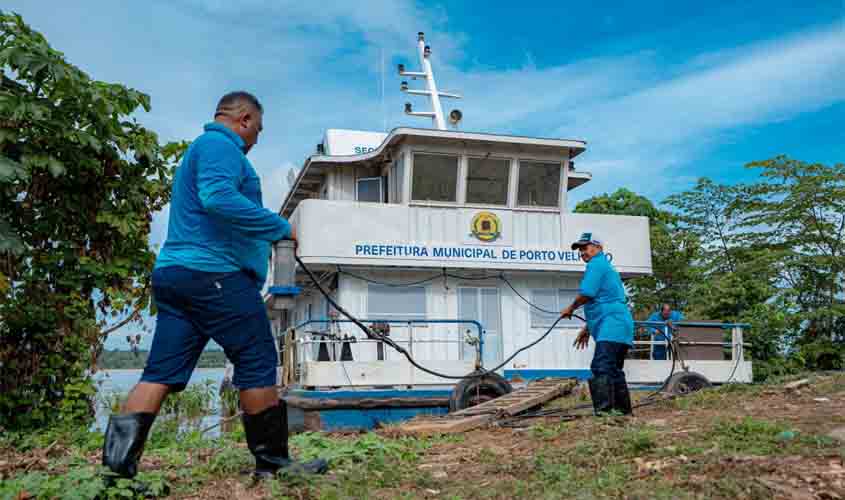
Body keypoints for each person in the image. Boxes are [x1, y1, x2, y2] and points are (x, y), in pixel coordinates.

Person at [101, 91, 327, 481]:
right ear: (243, 119)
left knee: (159, 372)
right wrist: (278, 227)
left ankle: (116, 474)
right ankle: (273, 465)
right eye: (258, 126)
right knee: (257, 361)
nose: (257, 136)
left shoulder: (202, 149)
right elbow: (218, 198)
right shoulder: (219, 146)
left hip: (178, 276)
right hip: (214, 275)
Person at [560, 233, 634, 416]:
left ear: (598, 248)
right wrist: (588, 328)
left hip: (612, 325)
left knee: (601, 367)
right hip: (619, 325)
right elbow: (605, 299)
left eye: (585, 248)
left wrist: (570, 308)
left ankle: (605, 415)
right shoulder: (606, 267)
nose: (582, 253)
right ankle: (623, 414)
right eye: (580, 249)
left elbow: (587, 293)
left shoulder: (596, 264)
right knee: (613, 370)